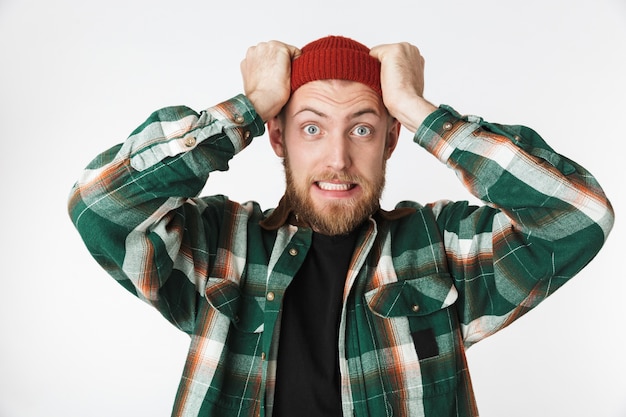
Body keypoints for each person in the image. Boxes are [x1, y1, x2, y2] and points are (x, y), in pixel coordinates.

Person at [68, 35, 614, 417]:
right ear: (278, 139)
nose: (337, 158)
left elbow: (579, 216)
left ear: (391, 141)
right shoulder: (216, 245)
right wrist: (250, 107)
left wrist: (418, 109)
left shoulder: (441, 246)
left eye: (363, 129)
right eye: (311, 128)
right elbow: (98, 203)